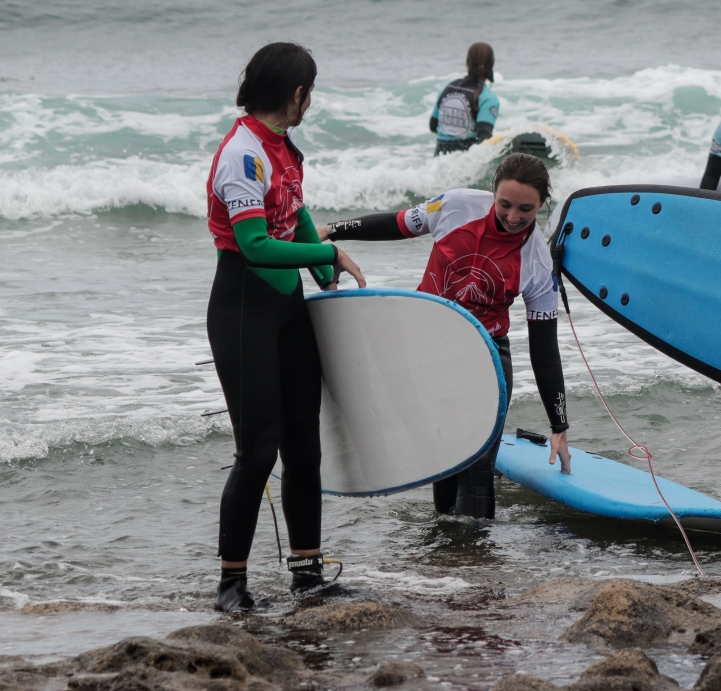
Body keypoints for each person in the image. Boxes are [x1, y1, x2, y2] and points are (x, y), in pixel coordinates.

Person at [319, 153, 572, 518]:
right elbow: (396, 224)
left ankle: (474, 550)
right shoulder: (455, 206)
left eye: (526, 209)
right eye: (505, 204)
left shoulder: (538, 262)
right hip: (428, 348)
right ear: (493, 192)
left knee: (478, 468)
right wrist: (331, 230)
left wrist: (559, 425)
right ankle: (448, 550)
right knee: (445, 459)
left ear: (542, 205)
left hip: (487, 357)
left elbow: (544, 350)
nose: (513, 217)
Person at [205, 41, 367, 611]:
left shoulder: (282, 146)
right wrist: (327, 252)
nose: (310, 102)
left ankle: (307, 574)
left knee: (303, 445)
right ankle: (231, 584)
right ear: (297, 93)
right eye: (310, 92)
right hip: (244, 310)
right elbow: (253, 245)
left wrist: (321, 267)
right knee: (258, 451)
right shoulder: (242, 154)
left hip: (288, 308)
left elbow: (294, 212)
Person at [430, 43, 500, 154]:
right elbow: (484, 137)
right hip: (466, 160)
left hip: (439, 157)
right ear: (492, 64)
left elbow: (433, 126)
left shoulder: (448, 88)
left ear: (467, 63)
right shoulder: (488, 98)